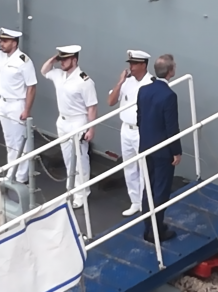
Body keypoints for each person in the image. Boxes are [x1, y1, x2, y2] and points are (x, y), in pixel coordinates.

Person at [40, 45, 98, 208]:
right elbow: (44, 71)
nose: (62, 62)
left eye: (65, 59)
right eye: (61, 59)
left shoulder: (84, 80)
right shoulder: (59, 75)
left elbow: (92, 107)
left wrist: (91, 128)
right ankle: (71, 188)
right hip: (63, 121)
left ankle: (82, 193)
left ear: (74, 60)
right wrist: (54, 58)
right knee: (67, 157)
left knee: (80, 159)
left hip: (78, 121)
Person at [0, 27, 37, 183]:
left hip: (18, 104)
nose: (2, 44)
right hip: (3, 102)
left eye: (5, 41)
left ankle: (21, 176)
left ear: (14, 42)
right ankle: (12, 172)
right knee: (9, 139)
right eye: (1, 41)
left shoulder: (24, 61)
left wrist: (27, 109)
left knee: (20, 141)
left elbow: (31, 86)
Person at [136, 54, 181, 243]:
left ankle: (150, 226)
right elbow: (171, 127)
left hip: (145, 146)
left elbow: (139, 119)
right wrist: (176, 151)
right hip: (163, 151)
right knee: (161, 190)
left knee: (149, 188)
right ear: (171, 71)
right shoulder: (169, 95)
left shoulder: (143, 90)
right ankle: (156, 231)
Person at [108, 50, 154, 217]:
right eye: (130, 63)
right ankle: (135, 202)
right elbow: (111, 102)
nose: (131, 67)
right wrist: (120, 82)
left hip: (142, 130)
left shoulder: (151, 83)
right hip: (125, 129)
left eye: (134, 64)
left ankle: (144, 202)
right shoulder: (127, 82)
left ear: (143, 64)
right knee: (129, 166)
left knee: (144, 168)